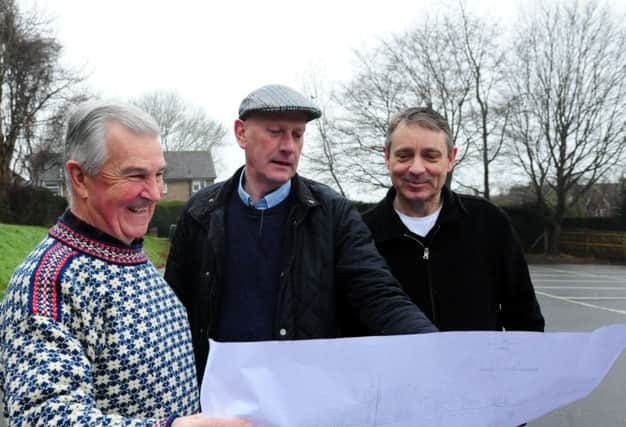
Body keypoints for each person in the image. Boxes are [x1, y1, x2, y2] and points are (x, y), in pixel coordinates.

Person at [165, 84, 437, 383]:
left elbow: (378, 295)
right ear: (241, 133)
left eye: (297, 135)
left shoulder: (333, 214)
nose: (289, 146)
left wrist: (434, 349)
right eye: (275, 132)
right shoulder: (200, 213)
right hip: (219, 398)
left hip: (301, 398)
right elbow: (174, 311)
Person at [0, 101, 248, 427]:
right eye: (135, 175)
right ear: (79, 178)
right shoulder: (48, 281)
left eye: (159, 175)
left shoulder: (132, 256)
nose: (155, 193)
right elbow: (43, 415)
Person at [362, 107, 545, 332]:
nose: (417, 168)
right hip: (391, 368)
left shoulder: (489, 223)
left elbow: (524, 318)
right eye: (404, 155)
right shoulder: (361, 234)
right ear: (387, 157)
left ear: (450, 159)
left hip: (477, 367)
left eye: (430, 156)